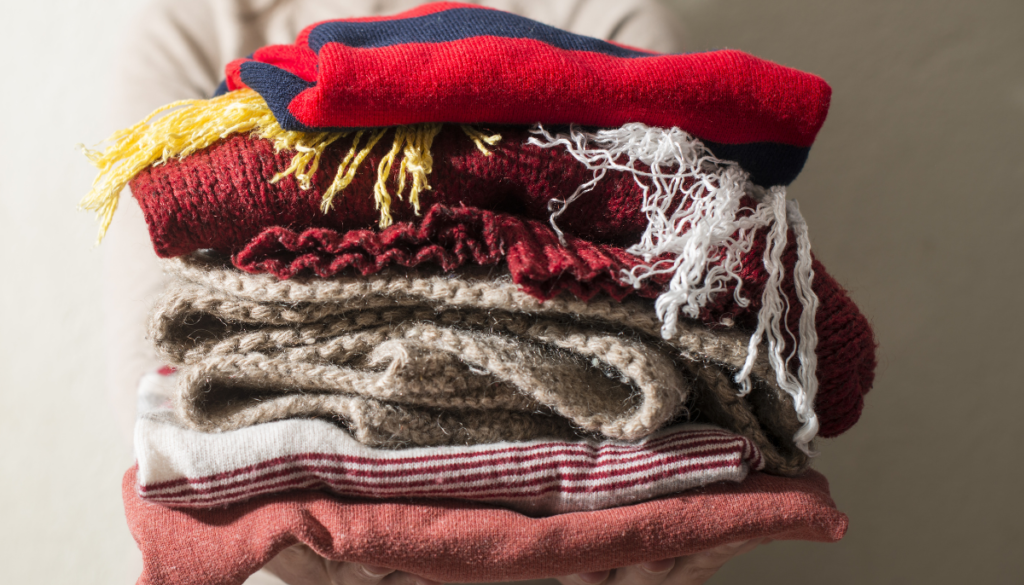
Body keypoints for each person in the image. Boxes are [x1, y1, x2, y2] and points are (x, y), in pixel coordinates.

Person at [102, 1, 764, 582]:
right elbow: (161, 354)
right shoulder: (194, 26)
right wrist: (278, 534)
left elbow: (709, 304)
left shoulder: (616, 29)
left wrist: (671, 522)